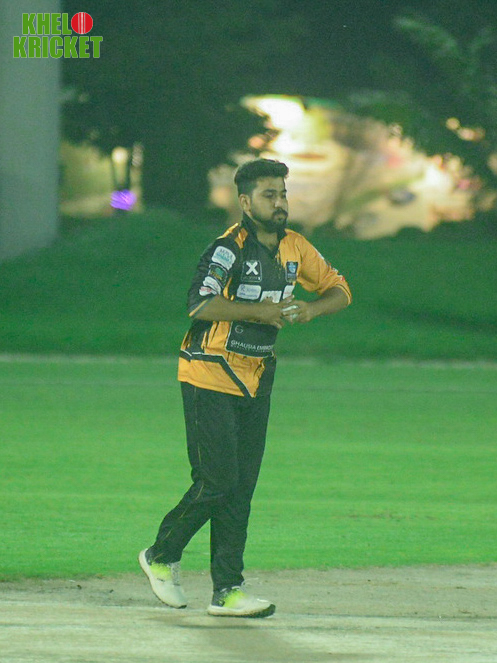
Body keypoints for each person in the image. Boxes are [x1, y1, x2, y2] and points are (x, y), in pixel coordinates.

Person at [139, 158, 352, 618]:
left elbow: (340, 289)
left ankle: (228, 591)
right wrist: (262, 312)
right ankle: (160, 554)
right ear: (245, 202)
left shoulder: (296, 247)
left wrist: (311, 310)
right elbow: (199, 304)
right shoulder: (228, 248)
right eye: (268, 195)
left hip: (258, 375)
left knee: (241, 488)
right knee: (217, 480)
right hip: (209, 370)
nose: (279, 203)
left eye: (283, 194)